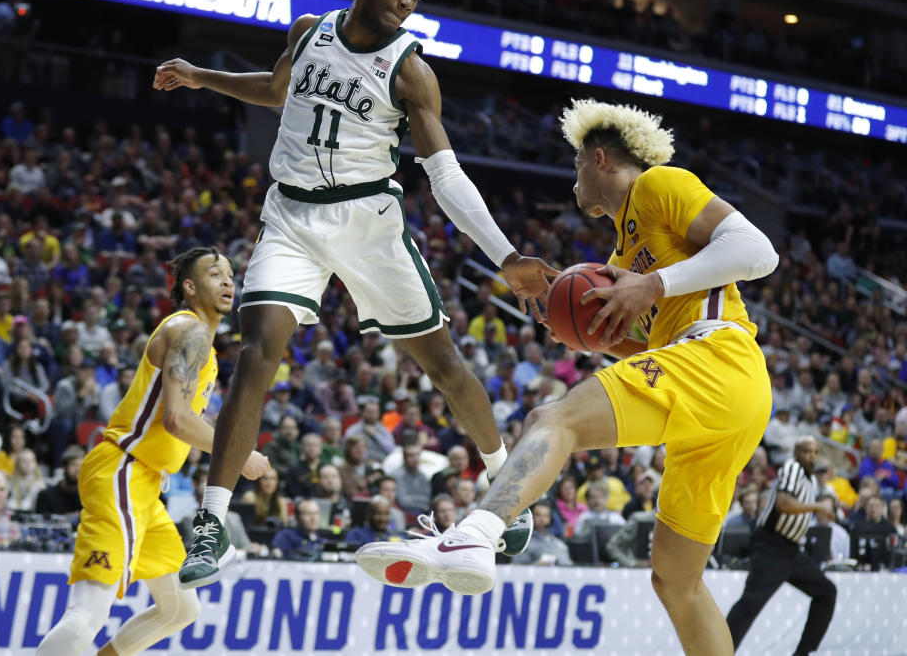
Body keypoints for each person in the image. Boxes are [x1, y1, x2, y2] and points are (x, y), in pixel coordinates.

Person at [158, 0, 557, 586]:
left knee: (445, 366)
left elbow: (445, 175)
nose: (408, 0)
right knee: (256, 350)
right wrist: (203, 77)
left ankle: (504, 479)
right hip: (291, 215)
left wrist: (505, 255)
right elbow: (275, 89)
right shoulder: (309, 31)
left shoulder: (410, 71)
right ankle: (212, 525)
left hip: (369, 223)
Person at [356, 98, 779, 656]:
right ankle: (483, 531)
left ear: (598, 158)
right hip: (724, 397)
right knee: (676, 581)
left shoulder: (658, 186)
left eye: (575, 165)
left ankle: (476, 534)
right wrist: (577, 316)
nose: (572, 180)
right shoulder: (624, 248)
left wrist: (650, 286)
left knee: (551, 418)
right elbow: (646, 342)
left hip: (720, 358)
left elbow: (758, 250)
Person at [36, 248, 270, 656]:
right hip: (123, 470)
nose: (229, 282)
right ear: (190, 287)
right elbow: (177, 420)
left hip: (146, 484)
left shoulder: (205, 346)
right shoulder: (189, 331)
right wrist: (239, 453)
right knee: (87, 615)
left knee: (180, 608)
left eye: (232, 275)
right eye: (216, 274)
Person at [726, 437, 837, 655]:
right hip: (771, 545)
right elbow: (783, 504)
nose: (811, 456)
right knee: (750, 604)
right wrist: (817, 506)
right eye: (806, 451)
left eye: (815, 452)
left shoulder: (812, 481)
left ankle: (803, 653)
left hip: (793, 551)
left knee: (826, 592)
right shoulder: (791, 468)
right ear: (796, 452)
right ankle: (718, 651)